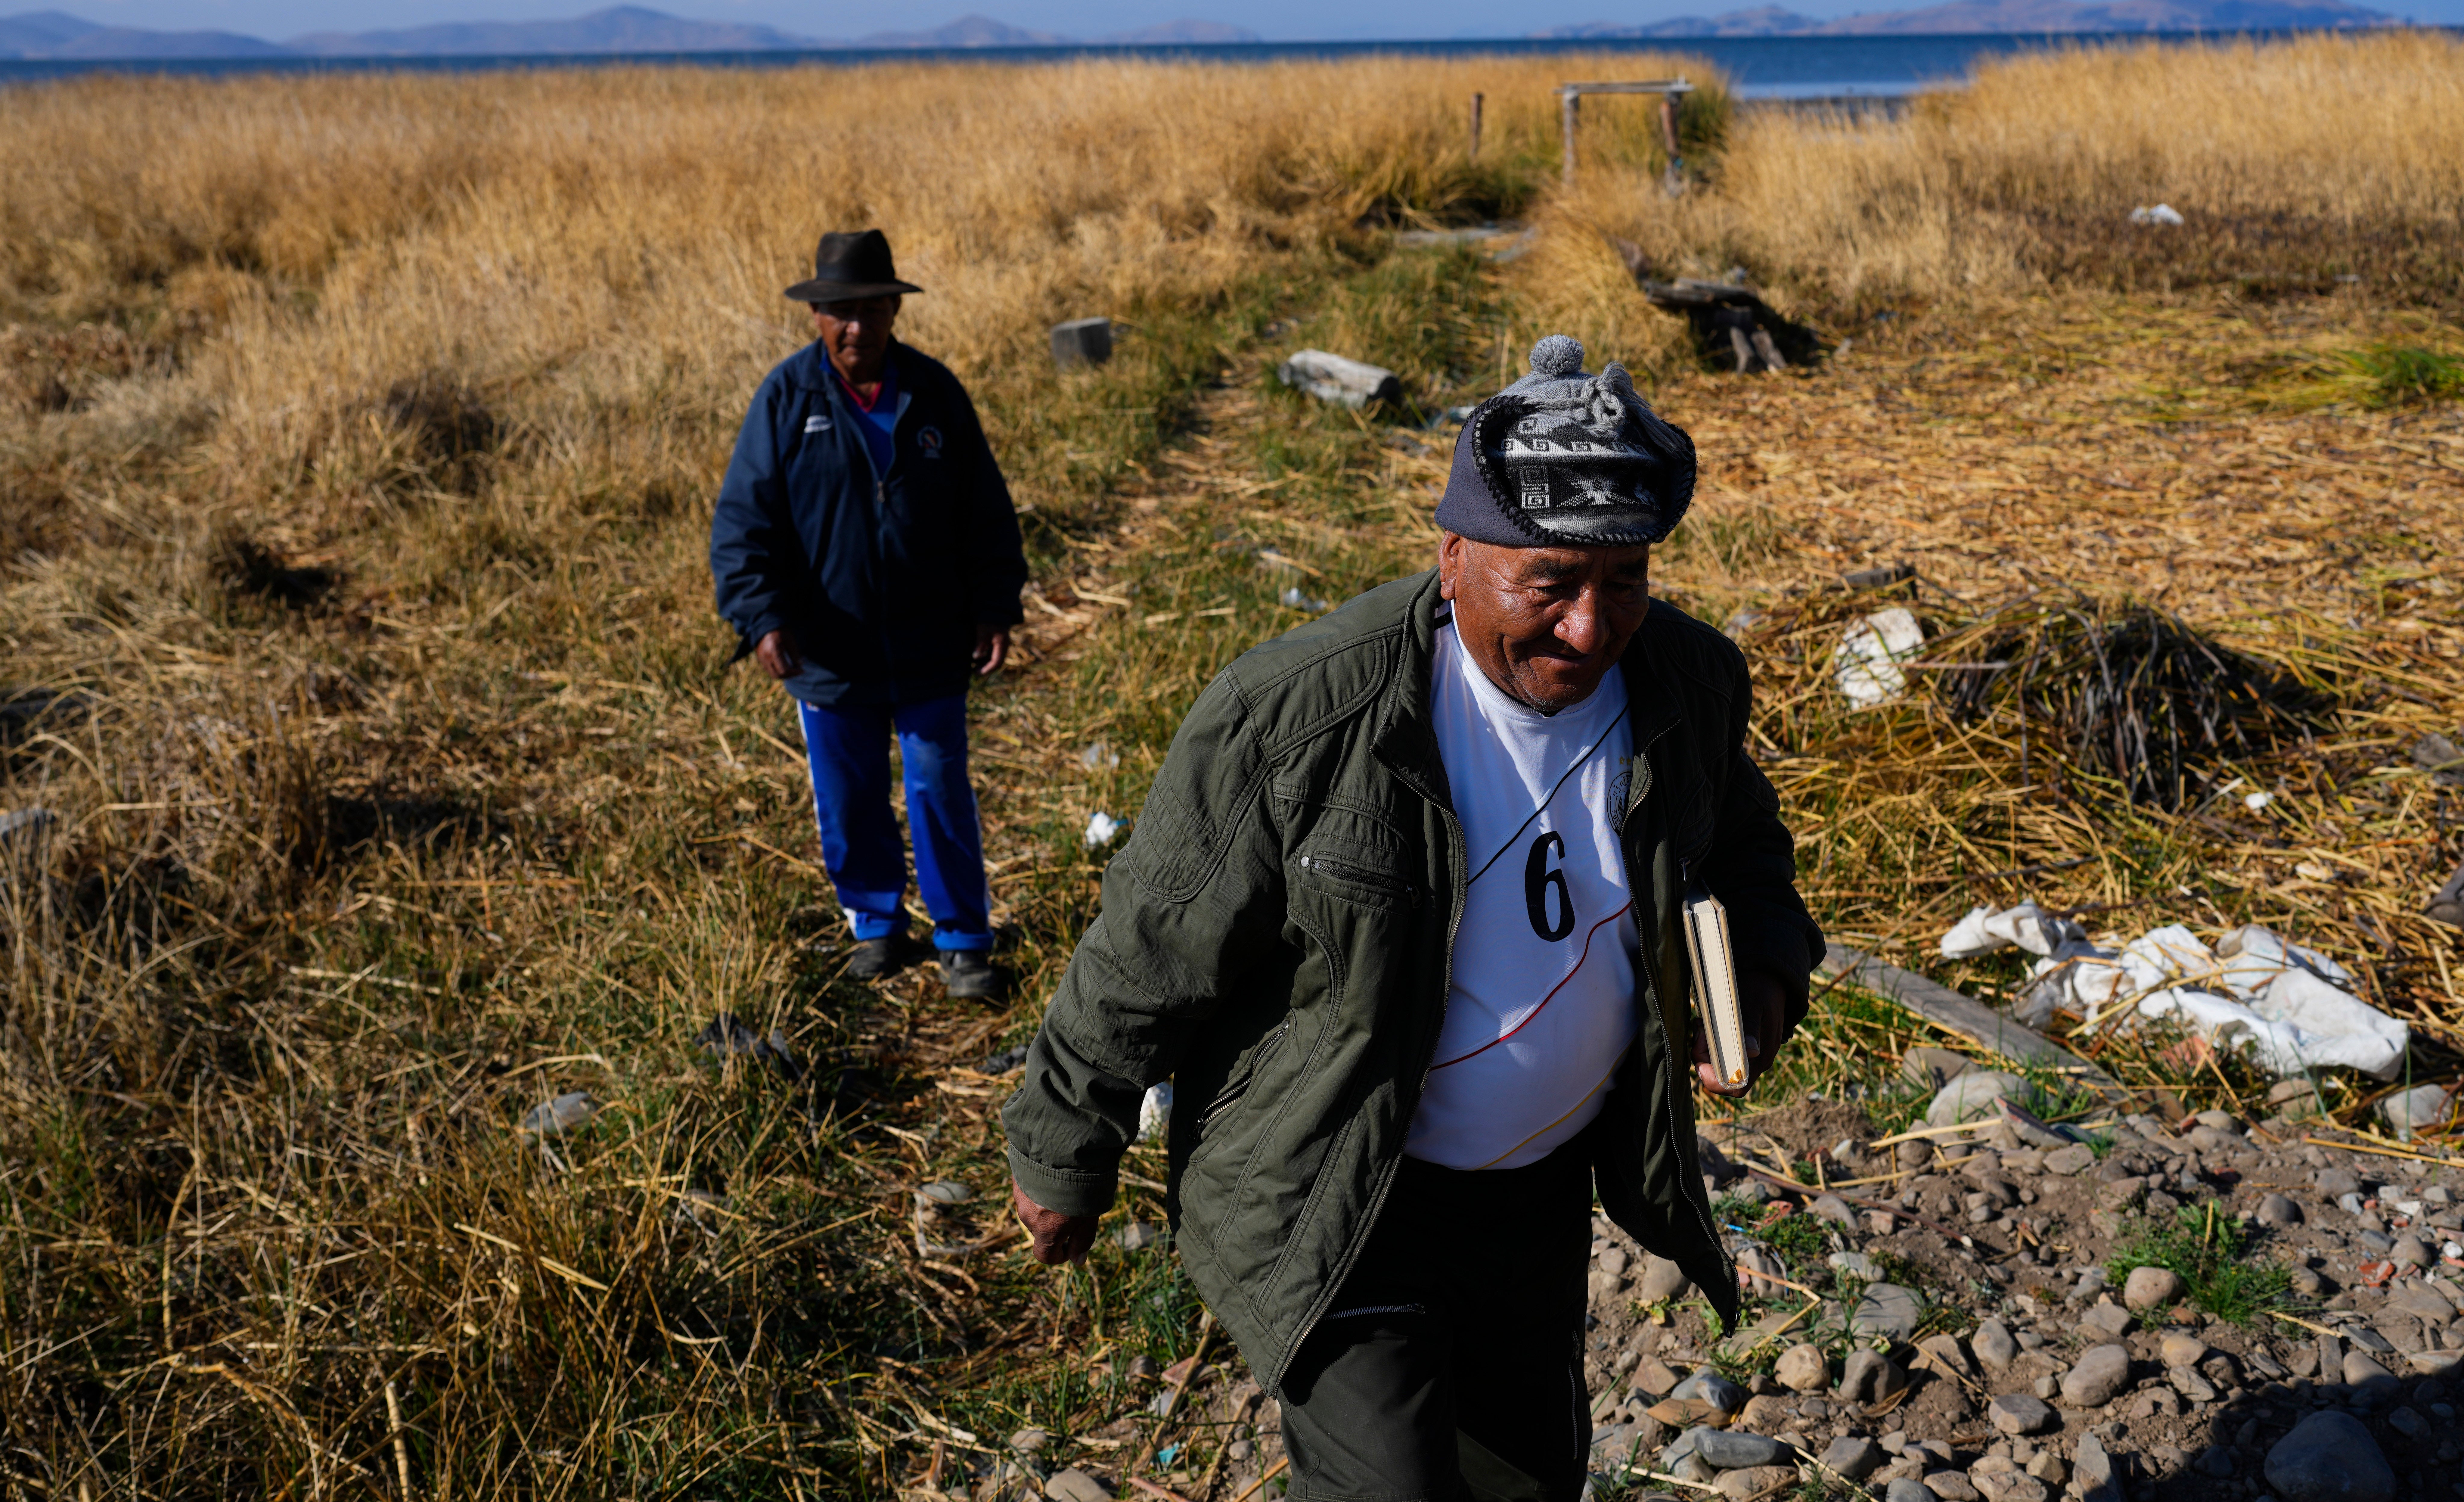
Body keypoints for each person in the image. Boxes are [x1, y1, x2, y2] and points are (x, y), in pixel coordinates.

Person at [1000, 335, 1821, 1500]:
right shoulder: (1296, 718)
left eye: (1625, 581)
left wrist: (1766, 979)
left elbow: (1747, 855)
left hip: (1537, 1194)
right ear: (1455, 559)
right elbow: (1151, 946)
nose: (1592, 629)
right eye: (1551, 586)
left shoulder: (1686, 684)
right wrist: (1062, 1150)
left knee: (1526, 1483)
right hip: (1345, 1182)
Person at [710, 229, 1027, 1001]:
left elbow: (985, 511)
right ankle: (877, 927)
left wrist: (993, 607)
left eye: (869, 310)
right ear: (817, 316)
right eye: (837, 312)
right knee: (849, 799)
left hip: (929, 643)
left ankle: (962, 941)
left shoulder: (935, 393)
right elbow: (743, 525)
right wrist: (762, 618)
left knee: (938, 786)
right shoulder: (786, 400)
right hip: (829, 651)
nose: (854, 328)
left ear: (894, 309)